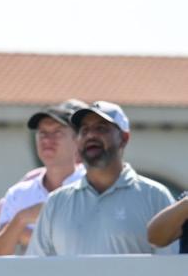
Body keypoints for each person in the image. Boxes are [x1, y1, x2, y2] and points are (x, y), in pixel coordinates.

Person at [28, 102, 175, 256]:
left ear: (124, 138)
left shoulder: (154, 196)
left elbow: (171, 265)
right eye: (84, 130)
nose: (91, 135)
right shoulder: (56, 202)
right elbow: (36, 266)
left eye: (101, 128)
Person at [0, 102, 84, 256]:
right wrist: (21, 218)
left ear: (78, 141)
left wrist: (25, 235)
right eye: (42, 133)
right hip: (29, 273)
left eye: (57, 133)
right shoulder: (18, 193)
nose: (47, 140)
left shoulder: (93, 187)